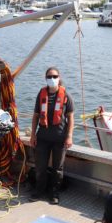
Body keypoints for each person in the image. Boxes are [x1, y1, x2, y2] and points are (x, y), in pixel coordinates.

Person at [29, 67, 74, 205]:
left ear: (59, 78)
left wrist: (69, 136)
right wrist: (32, 135)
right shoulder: (41, 94)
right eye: (49, 76)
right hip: (42, 137)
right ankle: (39, 190)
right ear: (45, 78)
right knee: (40, 167)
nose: (52, 79)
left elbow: (71, 118)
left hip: (59, 139)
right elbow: (36, 116)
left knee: (57, 169)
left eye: (55, 76)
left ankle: (54, 193)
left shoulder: (66, 96)